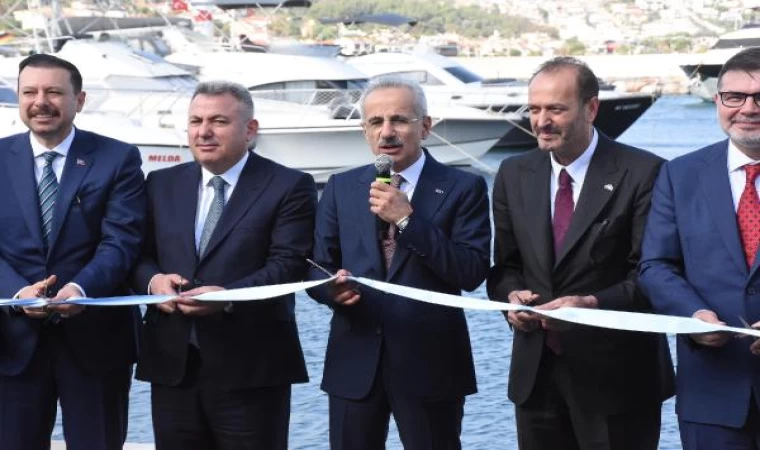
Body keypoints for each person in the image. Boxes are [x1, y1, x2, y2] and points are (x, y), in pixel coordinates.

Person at [487, 56, 675, 450]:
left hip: (618, 380)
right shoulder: (512, 173)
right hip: (536, 377)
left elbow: (654, 276)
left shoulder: (646, 172)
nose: (542, 121)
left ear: (591, 108)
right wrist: (511, 299)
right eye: (534, 109)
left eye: (556, 109)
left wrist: (590, 304)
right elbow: (505, 267)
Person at [307, 75, 491, 450]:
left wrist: (407, 221)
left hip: (431, 365)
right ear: (364, 130)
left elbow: (471, 272)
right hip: (354, 362)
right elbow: (316, 266)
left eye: (400, 120)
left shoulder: (463, 187)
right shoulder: (340, 188)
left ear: (425, 126)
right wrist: (330, 291)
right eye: (376, 121)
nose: (387, 131)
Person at [130, 80, 316, 450]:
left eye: (218, 121)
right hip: (173, 364)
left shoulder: (289, 185)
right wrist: (153, 281)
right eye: (195, 121)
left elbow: (289, 264)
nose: (204, 131)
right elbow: (137, 255)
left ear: (250, 129)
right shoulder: (160, 183)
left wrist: (229, 296)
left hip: (251, 366)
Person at [0, 54, 146, 450]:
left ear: (79, 100)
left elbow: (122, 240)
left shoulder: (118, 158)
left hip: (96, 339)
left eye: (53, 92)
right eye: (29, 92)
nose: (40, 102)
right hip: (13, 341)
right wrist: (18, 293)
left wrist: (81, 289)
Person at [639, 46, 760, 449]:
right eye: (735, 97)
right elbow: (656, 266)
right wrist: (693, 314)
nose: (748, 108)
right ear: (718, 101)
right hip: (712, 393)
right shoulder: (680, 175)